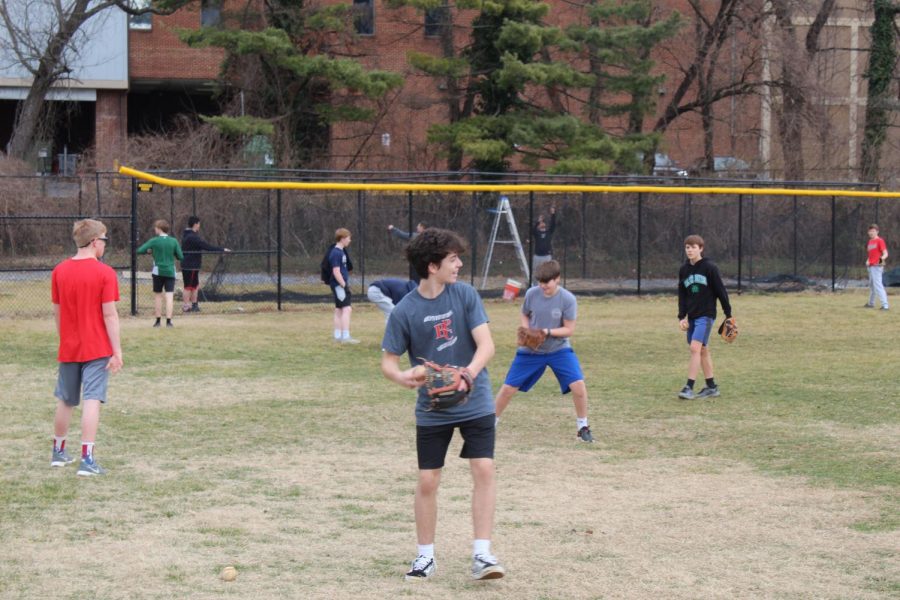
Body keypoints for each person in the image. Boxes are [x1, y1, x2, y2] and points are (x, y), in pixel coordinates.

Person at [380, 228, 505, 582]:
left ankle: (482, 555)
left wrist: (468, 374)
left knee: (483, 469)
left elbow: (487, 346)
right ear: (432, 266)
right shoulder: (405, 310)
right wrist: (401, 376)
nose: (459, 264)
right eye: (453, 259)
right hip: (433, 409)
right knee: (427, 480)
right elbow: (388, 361)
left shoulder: (464, 295)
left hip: (476, 400)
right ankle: (425, 558)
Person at [50, 219, 123, 476]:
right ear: (94, 242)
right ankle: (87, 460)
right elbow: (110, 315)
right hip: (97, 348)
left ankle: (58, 452)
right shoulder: (104, 273)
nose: (105, 245)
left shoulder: (59, 270)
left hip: (70, 346)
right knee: (92, 399)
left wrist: (65, 338)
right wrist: (117, 351)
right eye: (104, 240)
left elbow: (57, 312)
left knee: (66, 399)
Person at [494, 259, 594, 443]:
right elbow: (525, 313)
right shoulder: (532, 293)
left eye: (546, 282)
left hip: (558, 349)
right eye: (540, 282)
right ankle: (489, 423)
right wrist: (526, 330)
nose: (542, 286)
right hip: (532, 350)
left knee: (578, 386)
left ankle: (583, 427)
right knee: (508, 388)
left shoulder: (567, 299)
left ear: (557, 279)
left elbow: (569, 329)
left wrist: (545, 332)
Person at [676, 234, 732, 400]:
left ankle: (689, 387)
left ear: (701, 249)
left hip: (706, 316)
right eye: (687, 247)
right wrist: (682, 316)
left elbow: (721, 291)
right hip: (692, 316)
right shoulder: (684, 270)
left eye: (693, 247)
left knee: (694, 348)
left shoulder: (709, 268)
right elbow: (682, 295)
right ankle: (711, 386)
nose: (690, 250)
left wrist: (728, 313)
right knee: (702, 351)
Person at [137, 219, 184, 328]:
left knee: (158, 296)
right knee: (169, 296)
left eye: (155, 228)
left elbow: (139, 250)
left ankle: (158, 321)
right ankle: (169, 321)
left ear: (159, 229)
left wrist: (149, 251)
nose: (155, 229)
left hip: (157, 271)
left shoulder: (154, 241)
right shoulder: (173, 241)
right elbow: (181, 256)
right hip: (170, 271)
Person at [181, 215, 231, 313]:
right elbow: (206, 246)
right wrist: (222, 249)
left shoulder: (190, 235)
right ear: (195, 224)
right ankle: (186, 307)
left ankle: (195, 305)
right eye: (199, 224)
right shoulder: (192, 237)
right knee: (188, 287)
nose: (199, 226)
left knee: (195, 286)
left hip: (194, 265)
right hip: (189, 266)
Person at [329, 227, 359, 343]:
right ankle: (345, 337)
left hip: (338, 285)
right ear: (342, 239)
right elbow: (336, 271)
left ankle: (337, 336)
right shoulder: (336, 253)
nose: (349, 240)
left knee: (339, 309)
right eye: (348, 238)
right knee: (347, 309)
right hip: (338, 285)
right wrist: (343, 284)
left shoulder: (341, 252)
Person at [865, 224, 889, 310]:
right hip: (870, 266)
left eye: (873, 231)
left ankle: (885, 305)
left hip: (876, 266)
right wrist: (868, 261)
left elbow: (885, 254)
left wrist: (880, 261)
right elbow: (871, 254)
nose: (871, 233)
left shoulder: (880, 241)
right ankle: (871, 303)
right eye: (870, 231)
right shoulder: (870, 242)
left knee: (878, 285)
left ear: (877, 232)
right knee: (872, 285)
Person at [531, 206, 556, 284]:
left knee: (547, 273)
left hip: (546, 256)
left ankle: (547, 286)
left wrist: (553, 214)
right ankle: (535, 287)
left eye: (543, 222)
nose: (542, 223)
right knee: (536, 272)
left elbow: (553, 225)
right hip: (537, 256)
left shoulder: (548, 232)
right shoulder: (537, 233)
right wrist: (538, 221)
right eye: (540, 223)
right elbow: (533, 230)